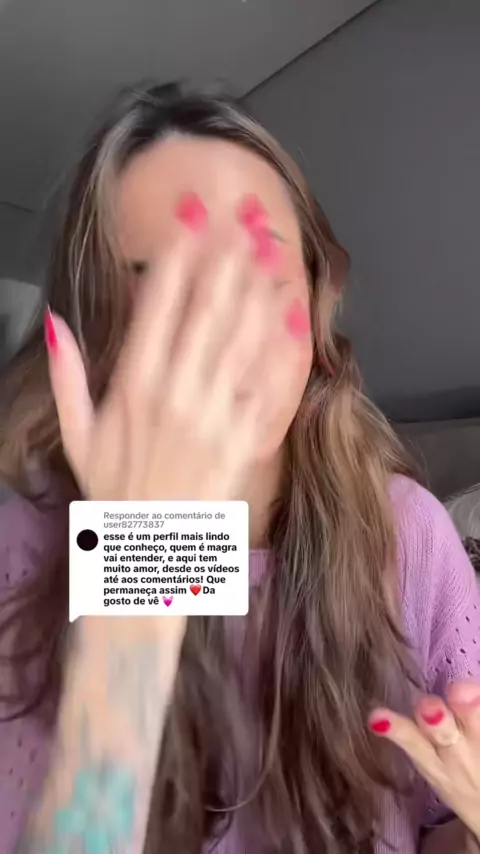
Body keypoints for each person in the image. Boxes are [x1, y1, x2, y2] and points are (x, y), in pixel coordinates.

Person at [0, 81, 479, 854]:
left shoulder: (408, 533)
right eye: (166, 290)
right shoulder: (21, 551)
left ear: (316, 307)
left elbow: (437, 828)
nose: (221, 335)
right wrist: (144, 551)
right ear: (95, 339)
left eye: (257, 278)